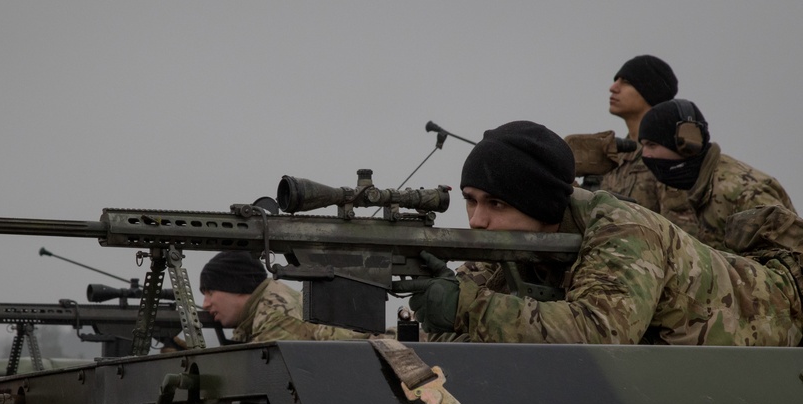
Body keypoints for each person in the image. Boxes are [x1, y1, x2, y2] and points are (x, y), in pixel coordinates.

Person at [397, 120, 802, 346]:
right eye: (471, 199)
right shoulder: (512, 243)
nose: (477, 220)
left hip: (786, 312)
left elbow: (599, 333)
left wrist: (465, 308)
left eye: (496, 203)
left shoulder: (623, 228)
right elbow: (441, 334)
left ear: (539, 205)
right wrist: (441, 303)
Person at [638, 98, 796, 250]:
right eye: (643, 145)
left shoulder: (745, 192)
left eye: (652, 145)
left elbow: (790, 265)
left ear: (686, 144)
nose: (645, 154)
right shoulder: (681, 185)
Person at [567, 55, 696, 232]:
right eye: (616, 81)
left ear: (650, 90)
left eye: (626, 82)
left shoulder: (668, 156)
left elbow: (682, 231)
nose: (613, 88)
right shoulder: (613, 156)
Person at [199, 251, 370, 343]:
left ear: (235, 286)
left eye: (210, 292)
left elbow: (260, 378)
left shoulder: (276, 315)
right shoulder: (264, 305)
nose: (205, 303)